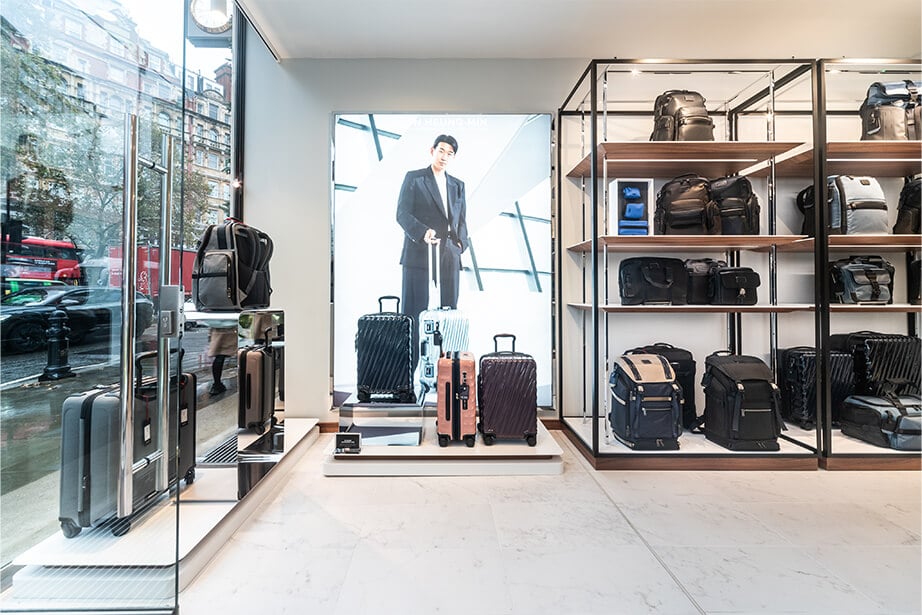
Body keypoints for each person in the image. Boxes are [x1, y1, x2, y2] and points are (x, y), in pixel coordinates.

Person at [396, 134, 469, 368]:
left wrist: (461, 244)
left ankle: (447, 372)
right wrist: (422, 232)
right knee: (413, 312)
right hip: (419, 252)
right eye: (441, 151)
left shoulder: (458, 185)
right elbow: (402, 213)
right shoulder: (415, 178)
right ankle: (408, 372)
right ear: (432, 151)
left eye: (450, 153)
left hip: (449, 255)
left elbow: (462, 220)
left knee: (450, 314)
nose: (445, 156)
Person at [207, 323, 238, 395]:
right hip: (231, 329)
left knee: (219, 356)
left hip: (217, 329)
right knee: (242, 353)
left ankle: (216, 384)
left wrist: (210, 334)